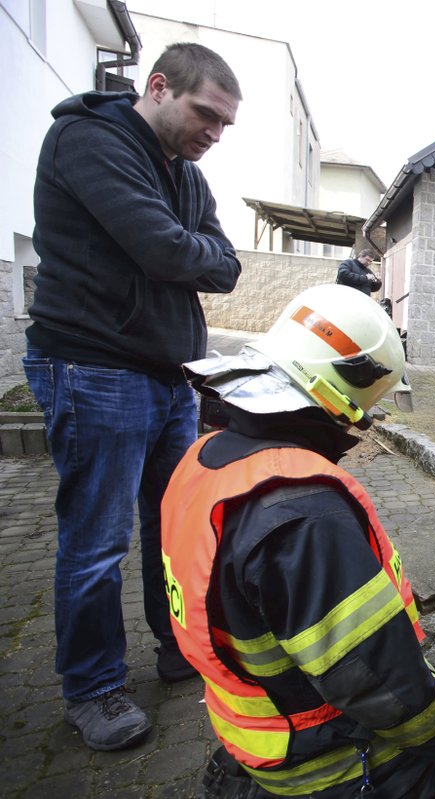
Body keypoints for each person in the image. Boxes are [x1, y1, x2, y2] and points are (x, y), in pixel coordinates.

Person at [162, 284, 435, 798]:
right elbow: (376, 680)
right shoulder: (303, 514)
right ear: (347, 395)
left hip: (257, 731)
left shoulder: (206, 461)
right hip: (328, 760)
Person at [22, 42, 243, 751]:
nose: (214, 132)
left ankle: (178, 646)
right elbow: (168, 252)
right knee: (96, 542)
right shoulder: (89, 140)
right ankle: (92, 686)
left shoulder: (184, 174)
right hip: (95, 372)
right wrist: (185, 252)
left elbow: (226, 263)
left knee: (176, 527)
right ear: (157, 87)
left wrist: (186, 250)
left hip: (170, 376)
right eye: (206, 113)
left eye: (225, 125)